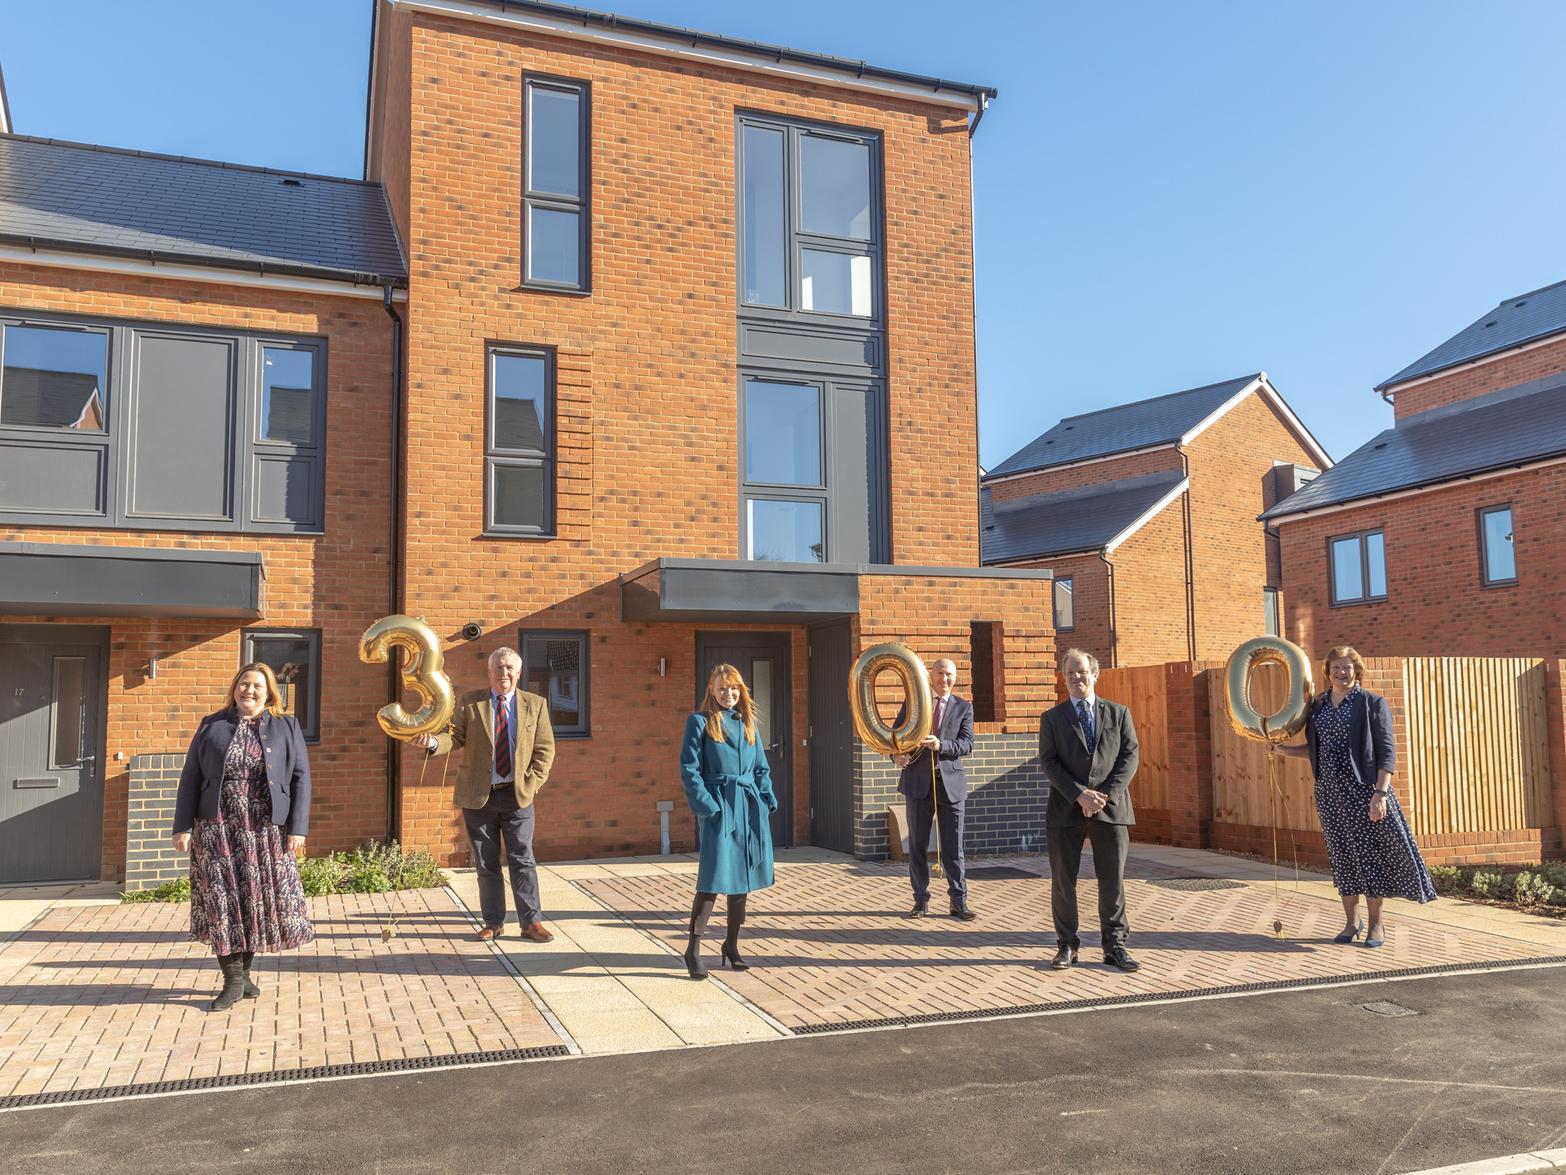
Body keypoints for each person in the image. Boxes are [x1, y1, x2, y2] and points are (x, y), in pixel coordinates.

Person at [1271, 645, 1435, 947]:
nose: (1342, 672)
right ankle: (1350, 923)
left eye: (1347, 667)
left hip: (1364, 793)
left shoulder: (1372, 703)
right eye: (1336, 668)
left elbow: (1387, 754)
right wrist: (1283, 750)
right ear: (1328, 672)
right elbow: (1315, 750)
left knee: (1369, 858)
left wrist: (1379, 794)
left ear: (1356, 671)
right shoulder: (1318, 706)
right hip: (1330, 794)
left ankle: (1376, 926)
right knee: (1342, 858)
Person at [171, 662, 313, 1012]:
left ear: (269, 693)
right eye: (243, 684)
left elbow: (301, 778)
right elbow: (191, 776)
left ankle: (244, 977)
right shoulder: (212, 725)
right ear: (235, 687)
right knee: (223, 903)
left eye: (257, 686)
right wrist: (182, 825)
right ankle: (233, 982)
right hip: (217, 828)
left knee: (254, 902)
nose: (249, 691)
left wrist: (297, 827)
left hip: (264, 830)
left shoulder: (286, 726)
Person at [413, 647, 556, 943]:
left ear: (519, 673)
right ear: (489, 672)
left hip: (518, 797)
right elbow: (455, 736)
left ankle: (531, 922)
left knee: (523, 860)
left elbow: (545, 750)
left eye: (508, 668)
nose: (503, 673)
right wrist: (432, 744)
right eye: (498, 668)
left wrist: (531, 785)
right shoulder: (471, 702)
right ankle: (493, 922)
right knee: (486, 863)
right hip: (479, 797)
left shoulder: (536, 704)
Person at [1038, 648, 1141, 972]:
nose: (1076, 677)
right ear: (1064, 677)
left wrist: (1103, 795)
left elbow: (1130, 757)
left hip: (1111, 810)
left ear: (1094, 674)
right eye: (1070, 673)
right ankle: (1067, 945)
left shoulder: (1118, 713)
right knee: (1063, 882)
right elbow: (1049, 763)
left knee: (1112, 882)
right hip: (1066, 809)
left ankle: (1115, 946)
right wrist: (1079, 794)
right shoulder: (1052, 719)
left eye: (1081, 672)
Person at [678, 664, 779, 979]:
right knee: (712, 878)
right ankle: (692, 949)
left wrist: (766, 797)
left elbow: (760, 768)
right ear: (712, 689)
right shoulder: (700, 722)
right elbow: (688, 768)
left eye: (733, 688)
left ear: (741, 690)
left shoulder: (747, 722)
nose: (728, 693)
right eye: (722, 688)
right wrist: (707, 805)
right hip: (720, 807)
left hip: (749, 808)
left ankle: (731, 945)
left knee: (742, 881)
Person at [891, 658, 976, 920]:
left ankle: (958, 902)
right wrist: (897, 757)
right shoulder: (915, 704)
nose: (944, 679)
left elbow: (966, 744)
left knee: (953, 847)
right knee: (916, 845)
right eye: (940, 673)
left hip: (950, 784)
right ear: (931, 676)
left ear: (956, 678)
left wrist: (941, 745)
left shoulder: (964, 707)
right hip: (918, 783)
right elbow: (895, 738)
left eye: (949, 674)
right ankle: (920, 900)